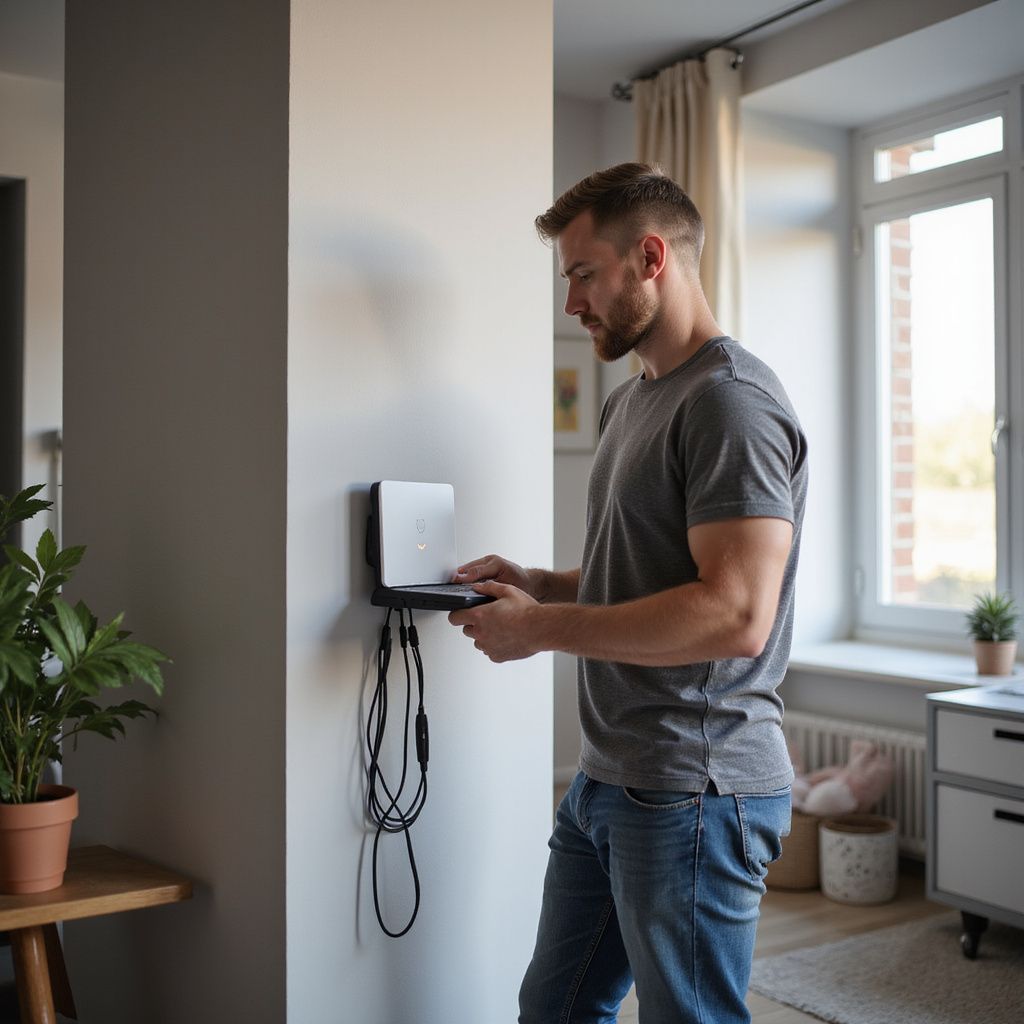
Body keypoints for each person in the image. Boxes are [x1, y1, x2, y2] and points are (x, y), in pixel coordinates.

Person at [448, 163, 808, 1024]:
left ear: (650, 257)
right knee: (557, 1006)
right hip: (611, 776)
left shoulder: (731, 404)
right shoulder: (633, 402)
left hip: (695, 785)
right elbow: (644, 576)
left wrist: (543, 631)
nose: (572, 303)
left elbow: (735, 613)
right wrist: (537, 585)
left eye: (583, 274)